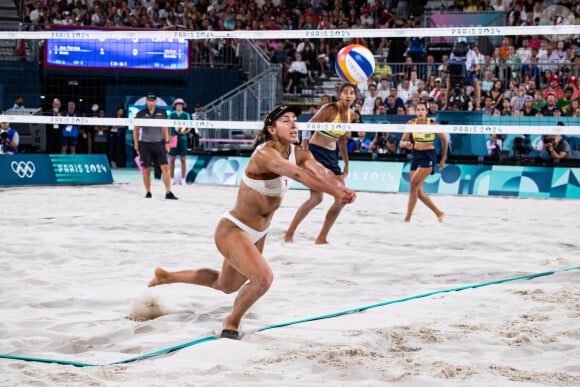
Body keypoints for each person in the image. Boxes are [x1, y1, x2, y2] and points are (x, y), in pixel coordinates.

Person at [147, 105, 356, 340]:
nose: (294, 124)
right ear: (272, 129)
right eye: (286, 120)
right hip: (233, 230)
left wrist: (340, 187)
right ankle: (231, 322)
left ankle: (167, 277)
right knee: (263, 279)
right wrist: (334, 192)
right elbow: (297, 175)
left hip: (258, 234)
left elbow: (318, 169)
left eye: (295, 119)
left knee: (225, 285)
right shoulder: (264, 154)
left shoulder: (298, 152)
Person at [283, 83, 355, 244]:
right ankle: (289, 234)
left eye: (351, 93)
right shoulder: (329, 109)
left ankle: (321, 237)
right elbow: (308, 127)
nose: (348, 95)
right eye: (345, 92)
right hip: (316, 151)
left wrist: (346, 163)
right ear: (339, 95)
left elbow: (342, 139)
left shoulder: (352, 114)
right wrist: (306, 150)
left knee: (338, 199)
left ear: (355, 97)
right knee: (318, 198)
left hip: (332, 155)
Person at [399, 101, 447, 223]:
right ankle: (439, 213)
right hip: (416, 155)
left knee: (413, 185)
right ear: (415, 112)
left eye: (422, 109)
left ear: (426, 112)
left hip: (428, 156)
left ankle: (407, 218)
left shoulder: (432, 124)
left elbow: (444, 140)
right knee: (418, 192)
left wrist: (442, 160)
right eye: (418, 109)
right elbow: (402, 141)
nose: (420, 112)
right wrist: (406, 144)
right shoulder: (411, 123)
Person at [133, 92, 178, 200]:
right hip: (144, 144)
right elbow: (135, 129)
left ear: (156, 101)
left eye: (153, 100)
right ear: (147, 101)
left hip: (158, 143)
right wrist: (136, 143)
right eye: (149, 100)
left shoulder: (162, 113)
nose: (151, 102)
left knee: (165, 167)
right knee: (147, 169)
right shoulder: (141, 113)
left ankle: (168, 192)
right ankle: (148, 192)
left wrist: (167, 143)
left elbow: (165, 128)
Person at [168, 98, 192, 185]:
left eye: (180, 104)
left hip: (183, 139)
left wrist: (184, 132)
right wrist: (169, 137)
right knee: (172, 159)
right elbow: (167, 127)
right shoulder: (171, 114)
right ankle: (171, 178)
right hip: (173, 138)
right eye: (177, 104)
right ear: (175, 106)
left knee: (183, 159)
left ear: (182, 106)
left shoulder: (186, 115)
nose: (179, 106)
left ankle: (183, 179)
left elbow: (189, 127)